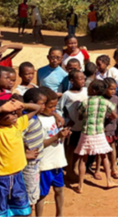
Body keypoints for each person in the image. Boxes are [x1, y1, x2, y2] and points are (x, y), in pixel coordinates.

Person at [0, 98, 42, 217]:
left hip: (17, 175)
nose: (14, 116)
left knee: (20, 209)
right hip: (1, 177)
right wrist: (0, 109)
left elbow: (37, 108)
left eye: (14, 113)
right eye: (9, 114)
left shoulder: (18, 125)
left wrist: (22, 105)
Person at [74, 80, 118, 192]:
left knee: (83, 159)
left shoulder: (85, 102)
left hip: (86, 133)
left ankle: (80, 185)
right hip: (99, 133)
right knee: (104, 157)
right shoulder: (106, 102)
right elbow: (114, 115)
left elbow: (79, 117)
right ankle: (109, 181)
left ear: (93, 90)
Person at [35, 88, 70, 217]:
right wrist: (57, 137)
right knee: (42, 194)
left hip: (57, 161)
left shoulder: (53, 118)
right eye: (50, 107)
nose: (53, 109)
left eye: (55, 106)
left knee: (60, 189)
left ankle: (59, 214)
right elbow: (39, 145)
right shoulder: (37, 121)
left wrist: (63, 135)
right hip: (44, 164)